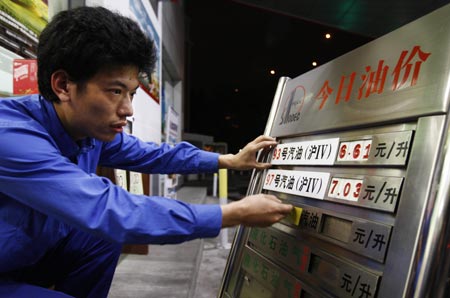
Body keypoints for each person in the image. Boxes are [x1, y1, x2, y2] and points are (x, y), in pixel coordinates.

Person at [0, 6, 292, 298]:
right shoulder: (11, 137)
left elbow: (155, 154)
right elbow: (109, 210)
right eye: (115, 91)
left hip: (27, 256)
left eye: (131, 93)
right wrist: (231, 213)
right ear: (63, 85)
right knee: (107, 225)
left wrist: (228, 160)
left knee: (101, 240)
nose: (127, 109)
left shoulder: (88, 131)